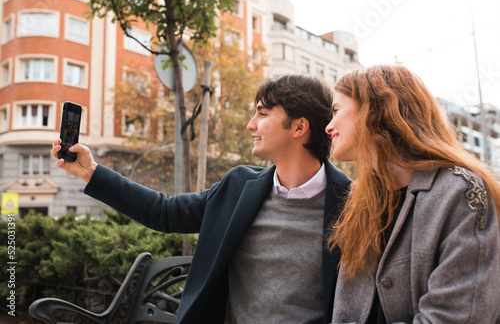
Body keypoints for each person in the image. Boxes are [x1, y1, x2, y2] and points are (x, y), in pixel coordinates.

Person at [51, 74, 351, 324]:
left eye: (262, 113)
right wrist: (91, 172)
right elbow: (164, 212)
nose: (251, 124)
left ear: (299, 127)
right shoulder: (239, 187)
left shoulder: (352, 203)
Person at [325, 64, 500, 323]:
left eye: (337, 110)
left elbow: (455, 316)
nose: (329, 127)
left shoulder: (462, 192)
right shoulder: (359, 201)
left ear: (373, 110)